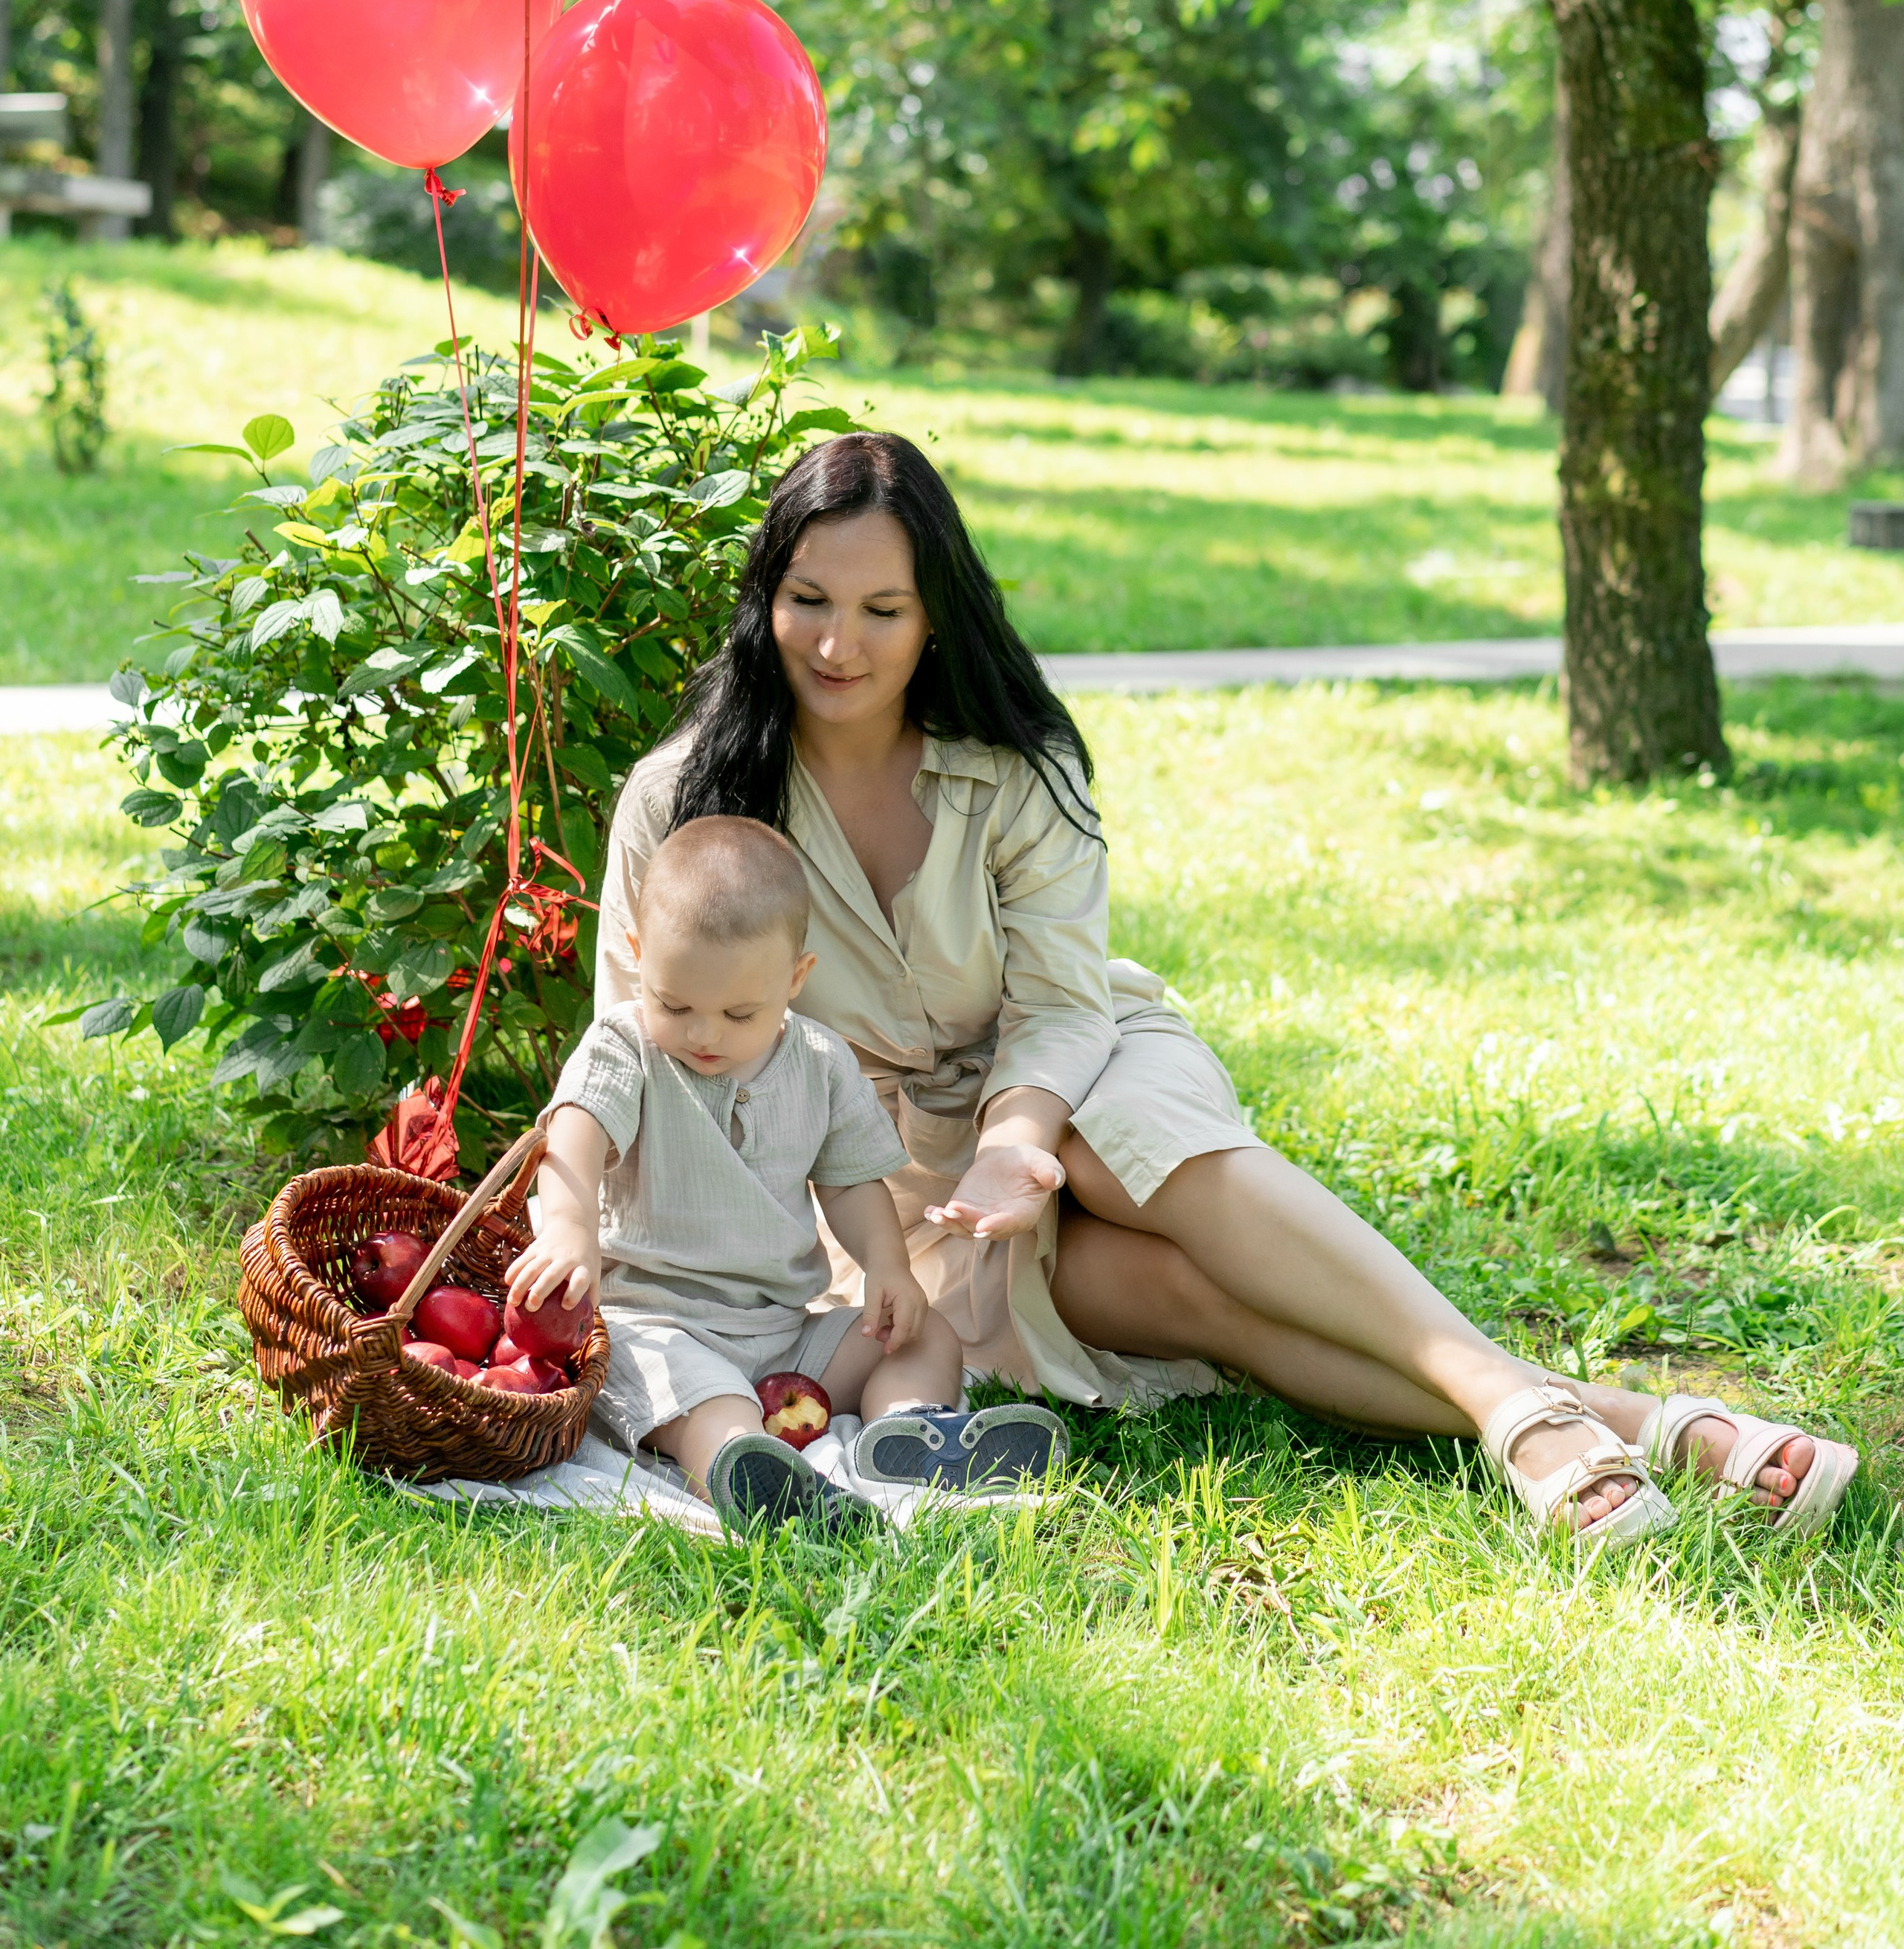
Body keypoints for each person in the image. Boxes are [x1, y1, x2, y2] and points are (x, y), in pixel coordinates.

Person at [586, 431, 1859, 1545]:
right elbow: (632, 1042)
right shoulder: (689, 801)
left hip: (1083, 1068)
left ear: (936, 617)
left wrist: (1020, 1140)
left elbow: (1065, 1007)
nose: (839, 642)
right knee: (1200, 1307)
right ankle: (1661, 1426)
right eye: (810, 599)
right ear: (767, 599)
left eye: (883, 609)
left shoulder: (1012, 768)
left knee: (1104, 1141)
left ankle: (1517, 1411)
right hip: (909, 1186)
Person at [509, 809, 1069, 1530]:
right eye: (674, 1003)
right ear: (637, 954)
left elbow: (849, 1181)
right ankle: (746, 1474)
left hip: (781, 1331)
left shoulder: (820, 1062)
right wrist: (569, 1226)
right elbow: (574, 1134)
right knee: (697, 1399)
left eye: (741, 1013)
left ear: (796, 978)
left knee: (925, 1334)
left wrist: (887, 1267)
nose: (704, 1034)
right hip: (657, 1324)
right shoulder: (625, 1045)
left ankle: (910, 1433)